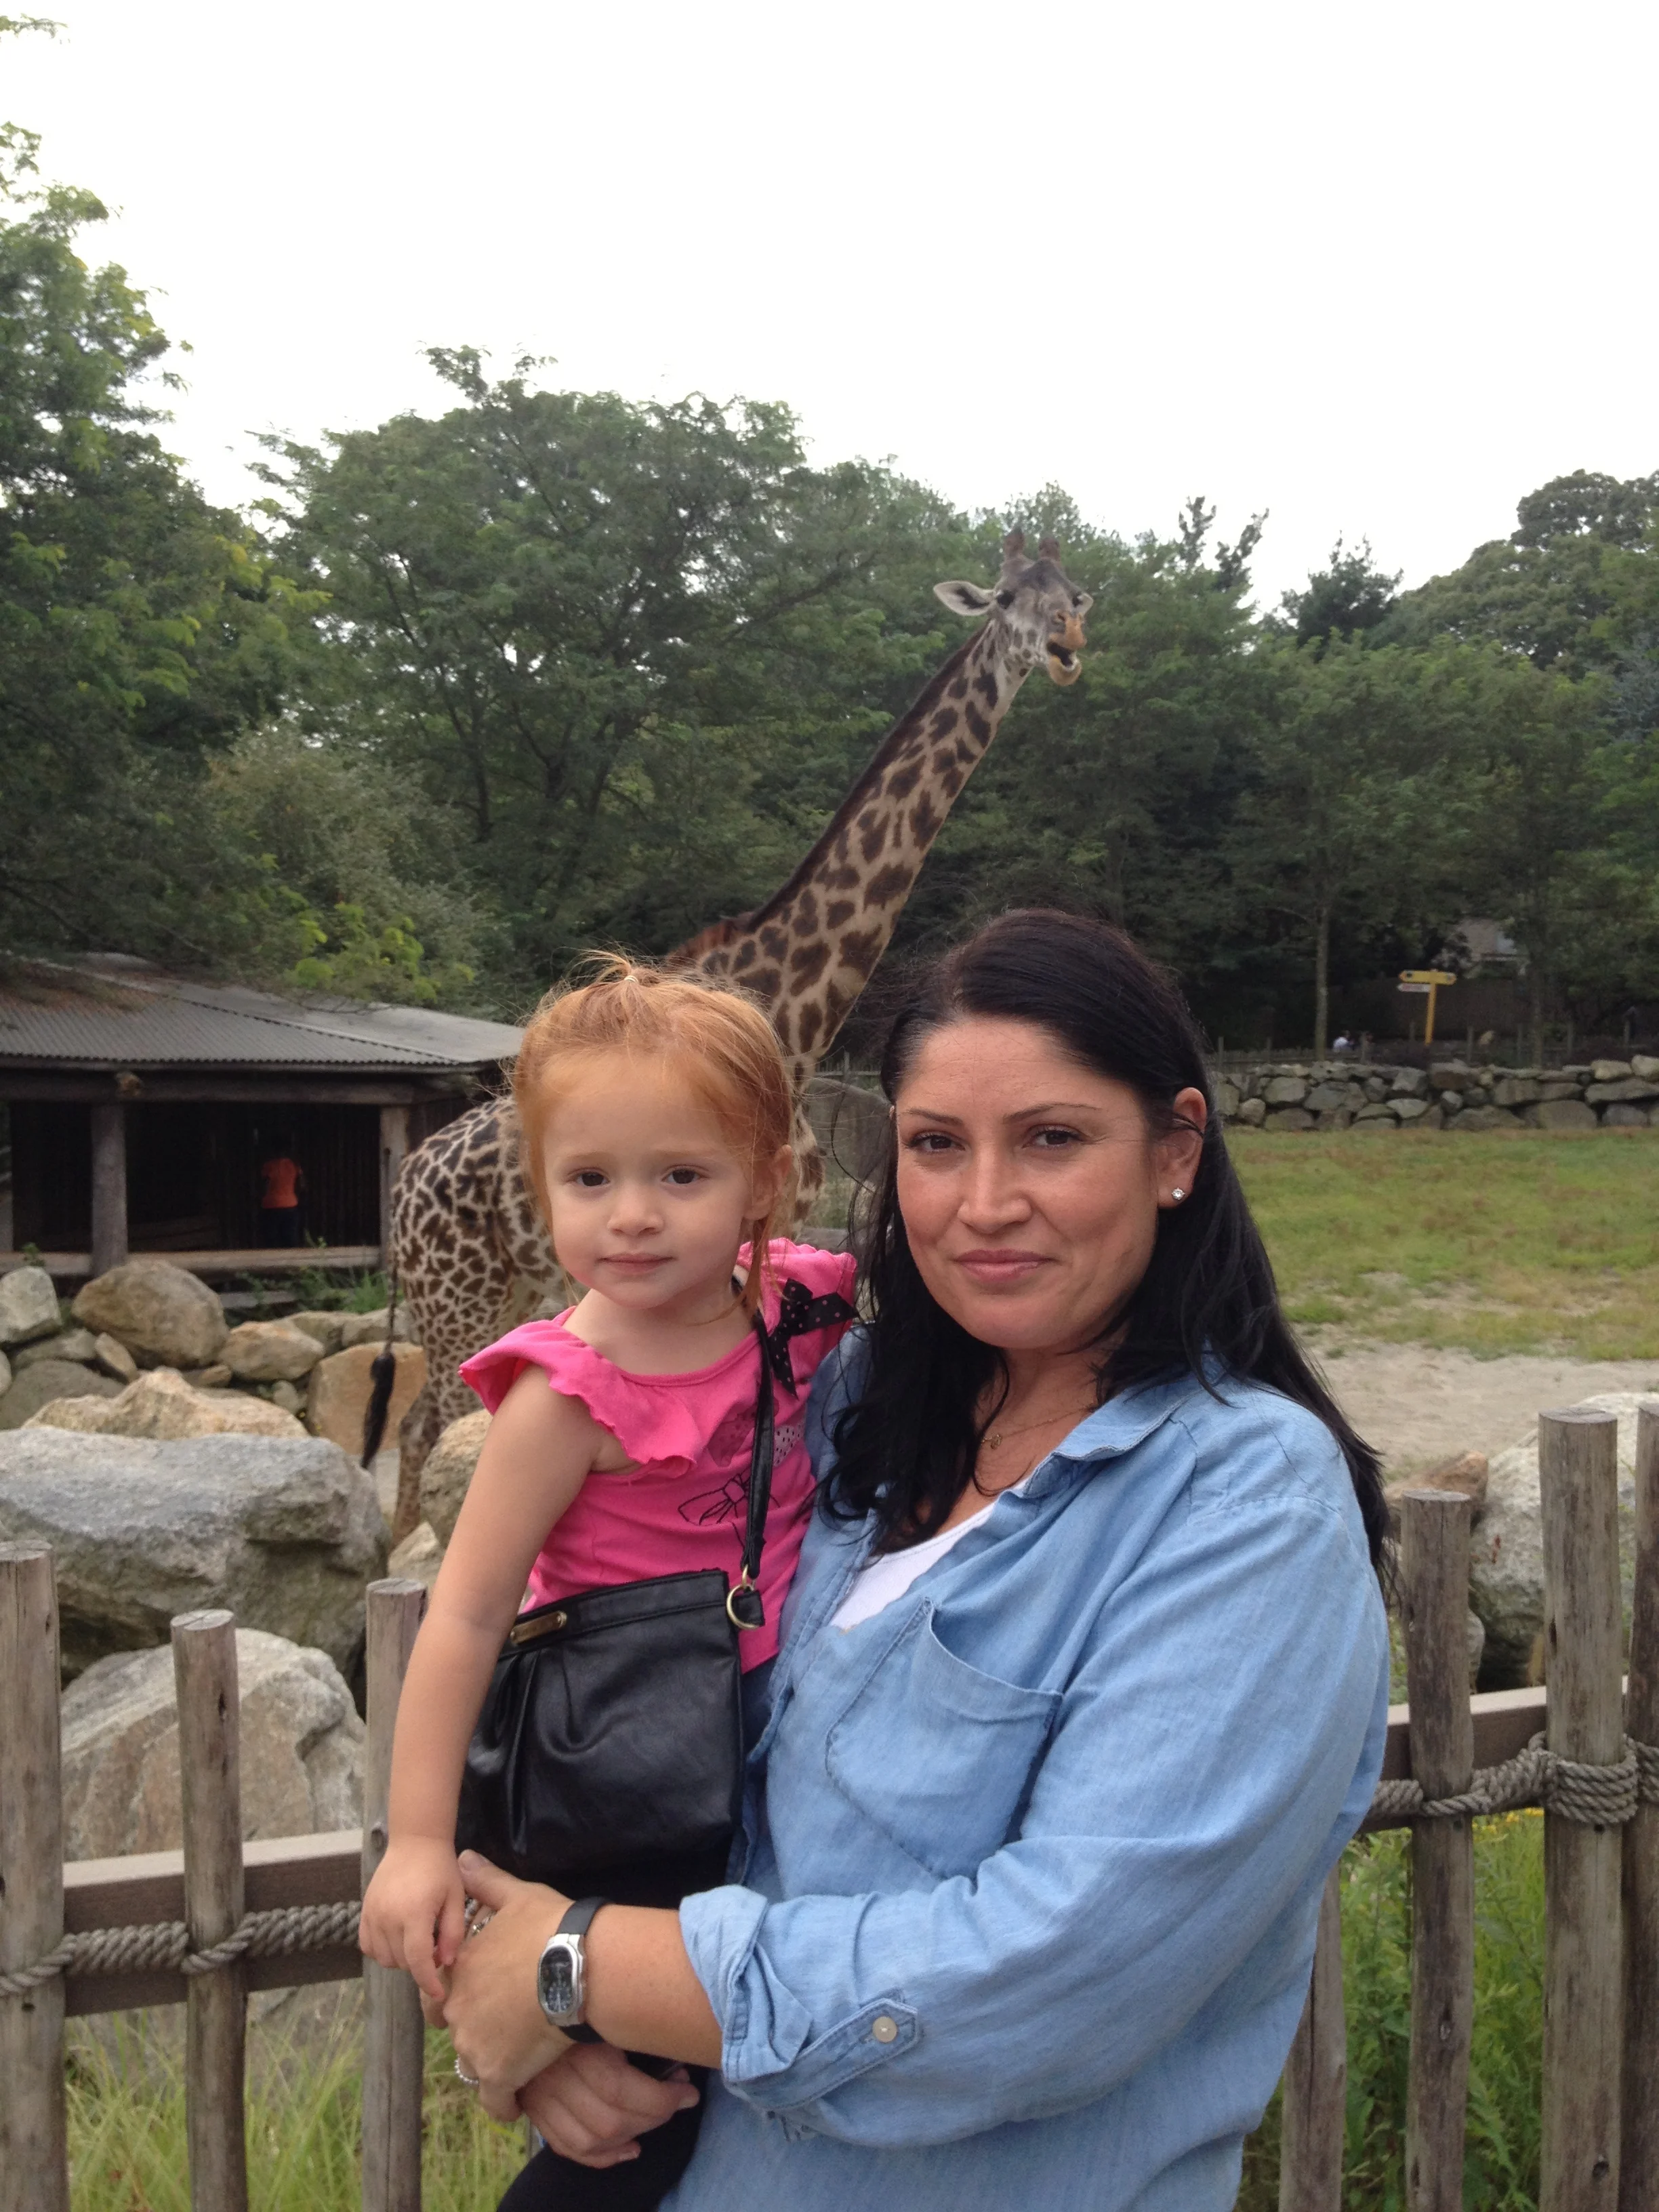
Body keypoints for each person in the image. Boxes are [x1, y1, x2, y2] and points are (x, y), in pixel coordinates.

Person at [435, 912, 1392, 2212]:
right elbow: (628, 1724)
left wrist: (578, 1965)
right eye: (937, 1144)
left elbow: (1045, 1980)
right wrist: (576, 2045)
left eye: (1050, 1138)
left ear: (1174, 1148)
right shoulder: (843, 1397)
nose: (984, 1202)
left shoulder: (1243, 1501)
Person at [359, 959, 856, 2209]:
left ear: (764, 1178)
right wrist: (418, 1839)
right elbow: (467, 1611)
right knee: (632, 2104)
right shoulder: (563, 1394)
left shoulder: (801, 1304)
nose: (631, 1215)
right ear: (544, 1188)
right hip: (630, 1768)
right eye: (590, 1179)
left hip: (774, 1741)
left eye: (679, 1175)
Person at [258, 1140, 305, 1246]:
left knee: (272, 1239)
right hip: (290, 1204)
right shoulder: (294, 1165)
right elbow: (302, 1185)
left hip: (271, 1204)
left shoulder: (268, 1166)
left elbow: (265, 1185)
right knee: (290, 1238)